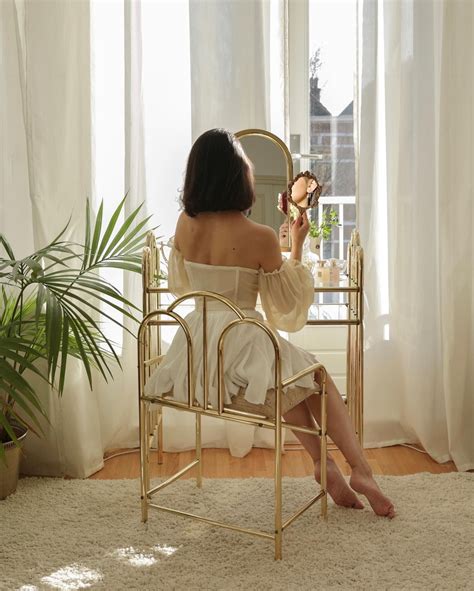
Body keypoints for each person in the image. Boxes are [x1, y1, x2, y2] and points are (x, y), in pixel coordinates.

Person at [145, 128, 395, 518]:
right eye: (246, 165)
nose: (251, 171)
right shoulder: (258, 235)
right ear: (233, 175)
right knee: (317, 376)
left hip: (198, 347)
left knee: (286, 374)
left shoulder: (184, 223)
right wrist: (296, 245)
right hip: (240, 341)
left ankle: (322, 463)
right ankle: (360, 469)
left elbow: (182, 283)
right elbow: (287, 302)